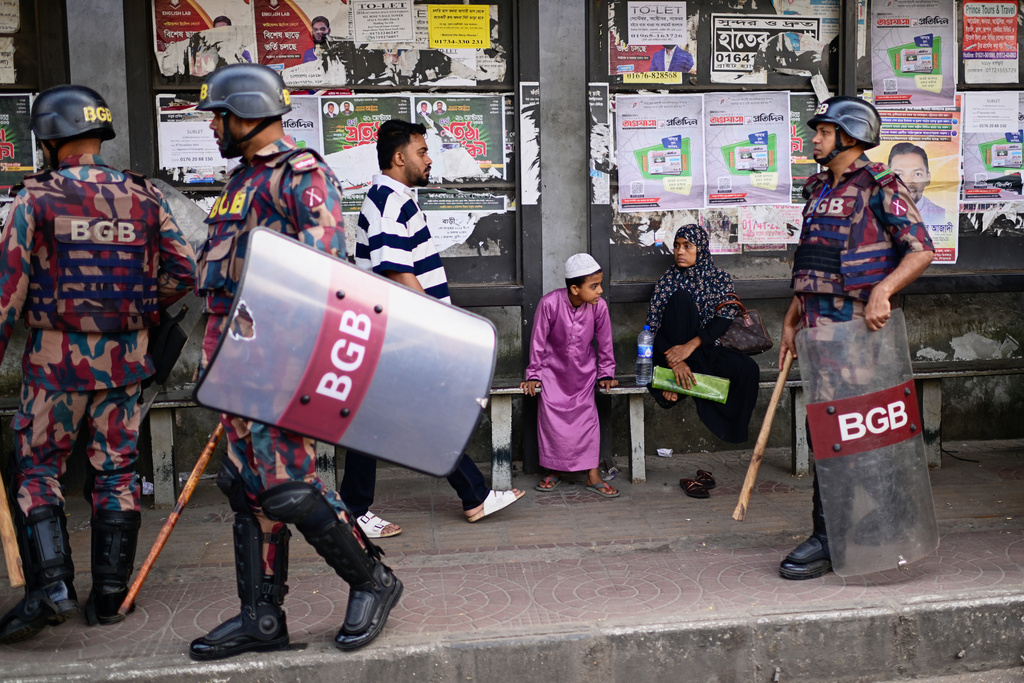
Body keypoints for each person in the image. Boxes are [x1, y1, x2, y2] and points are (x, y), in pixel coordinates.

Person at [190, 64, 401, 659]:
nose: (212, 125)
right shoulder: (241, 181)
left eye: (218, 114)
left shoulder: (301, 177)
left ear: (247, 113)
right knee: (246, 488)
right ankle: (261, 619)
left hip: (277, 369)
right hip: (233, 370)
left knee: (288, 488)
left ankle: (372, 581)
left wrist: (299, 374)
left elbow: (324, 284)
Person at [0, 85, 197, 643]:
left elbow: (6, 294)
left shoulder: (35, 199)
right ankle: (110, 596)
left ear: (49, 137)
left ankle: (52, 588)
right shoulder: (144, 197)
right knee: (115, 471)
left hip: (56, 364)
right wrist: (132, 309)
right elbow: (184, 274)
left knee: (37, 469)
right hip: (127, 364)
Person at [341, 118, 524, 539]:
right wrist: (434, 325)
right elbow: (394, 269)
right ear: (399, 156)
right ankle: (469, 496)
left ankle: (472, 496)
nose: (428, 159)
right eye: (422, 152)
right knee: (420, 414)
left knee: (406, 416)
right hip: (401, 332)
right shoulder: (388, 199)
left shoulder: (395, 198)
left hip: (398, 331)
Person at [779, 96, 934, 580]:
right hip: (816, 331)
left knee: (858, 431)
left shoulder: (881, 186)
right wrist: (791, 318)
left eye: (822, 131)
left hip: (857, 335)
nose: (814, 138)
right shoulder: (817, 187)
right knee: (825, 430)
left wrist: (884, 291)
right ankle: (839, 530)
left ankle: (852, 529)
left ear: (849, 136)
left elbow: (921, 249)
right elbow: (812, 262)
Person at [645, 224, 760, 498]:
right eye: (677, 245)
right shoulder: (668, 280)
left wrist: (690, 348)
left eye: (688, 246)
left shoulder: (719, 278)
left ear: (702, 249)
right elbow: (653, 329)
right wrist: (676, 361)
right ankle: (682, 376)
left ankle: (729, 428)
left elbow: (723, 320)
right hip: (669, 352)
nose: (680, 251)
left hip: (705, 348)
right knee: (681, 301)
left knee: (747, 369)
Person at [521, 254, 619, 498]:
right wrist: (533, 374)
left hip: (584, 375)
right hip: (552, 374)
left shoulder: (600, 307)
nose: (600, 291)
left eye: (600, 284)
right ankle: (554, 470)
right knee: (551, 420)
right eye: (594, 286)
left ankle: (592, 473)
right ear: (575, 289)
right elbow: (537, 342)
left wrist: (606, 372)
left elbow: (605, 343)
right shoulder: (549, 304)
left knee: (588, 420)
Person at [887, 142, 946, 225]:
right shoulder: (875, 212)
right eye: (899, 174)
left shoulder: (942, 216)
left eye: (917, 174)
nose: (908, 181)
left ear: (928, 177)